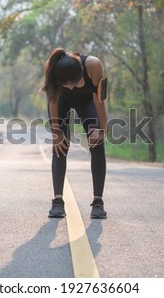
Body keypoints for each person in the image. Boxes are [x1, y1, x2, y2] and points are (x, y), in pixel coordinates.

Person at [42, 47, 108, 219]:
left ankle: (98, 202)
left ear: (81, 72)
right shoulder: (51, 66)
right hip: (60, 101)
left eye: (74, 84)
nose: (70, 88)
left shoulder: (94, 65)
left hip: (87, 101)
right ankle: (57, 201)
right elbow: (53, 99)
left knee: (97, 142)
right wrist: (56, 132)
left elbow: (100, 101)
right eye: (66, 85)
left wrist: (103, 130)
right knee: (60, 145)